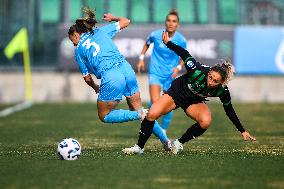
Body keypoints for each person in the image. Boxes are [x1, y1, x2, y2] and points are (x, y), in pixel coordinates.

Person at [123, 31, 256, 155]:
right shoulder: (197, 70)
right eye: (211, 77)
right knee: (151, 114)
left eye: (215, 81)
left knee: (206, 121)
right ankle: (139, 147)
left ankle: (178, 143)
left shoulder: (222, 91)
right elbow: (184, 53)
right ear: (209, 72)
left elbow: (229, 110)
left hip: (194, 101)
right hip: (177, 93)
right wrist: (168, 43)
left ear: (221, 83)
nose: (211, 82)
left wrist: (242, 130)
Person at [68, 8, 168, 146]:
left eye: (72, 39)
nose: (73, 43)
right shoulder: (100, 31)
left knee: (104, 115)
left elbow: (87, 78)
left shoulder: (79, 49)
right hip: (126, 69)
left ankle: (139, 114)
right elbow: (126, 21)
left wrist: (95, 86)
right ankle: (167, 142)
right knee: (140, 109)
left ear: (76, 34)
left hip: (111, 75)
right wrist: (113, 17)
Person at [136, 9, 186, 146]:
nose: (171, 23)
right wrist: (141, 59)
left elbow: (184, 56)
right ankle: (154, 126)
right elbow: (147, 44)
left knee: (168, 104)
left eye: (174, 21)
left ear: (177, 24)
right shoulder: (155, 35)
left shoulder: (181, 40)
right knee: (156, 101)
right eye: (169, 20)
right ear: (165, 22)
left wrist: (178, 68)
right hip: (155, 73)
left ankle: (162, 129)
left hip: (170, 75)